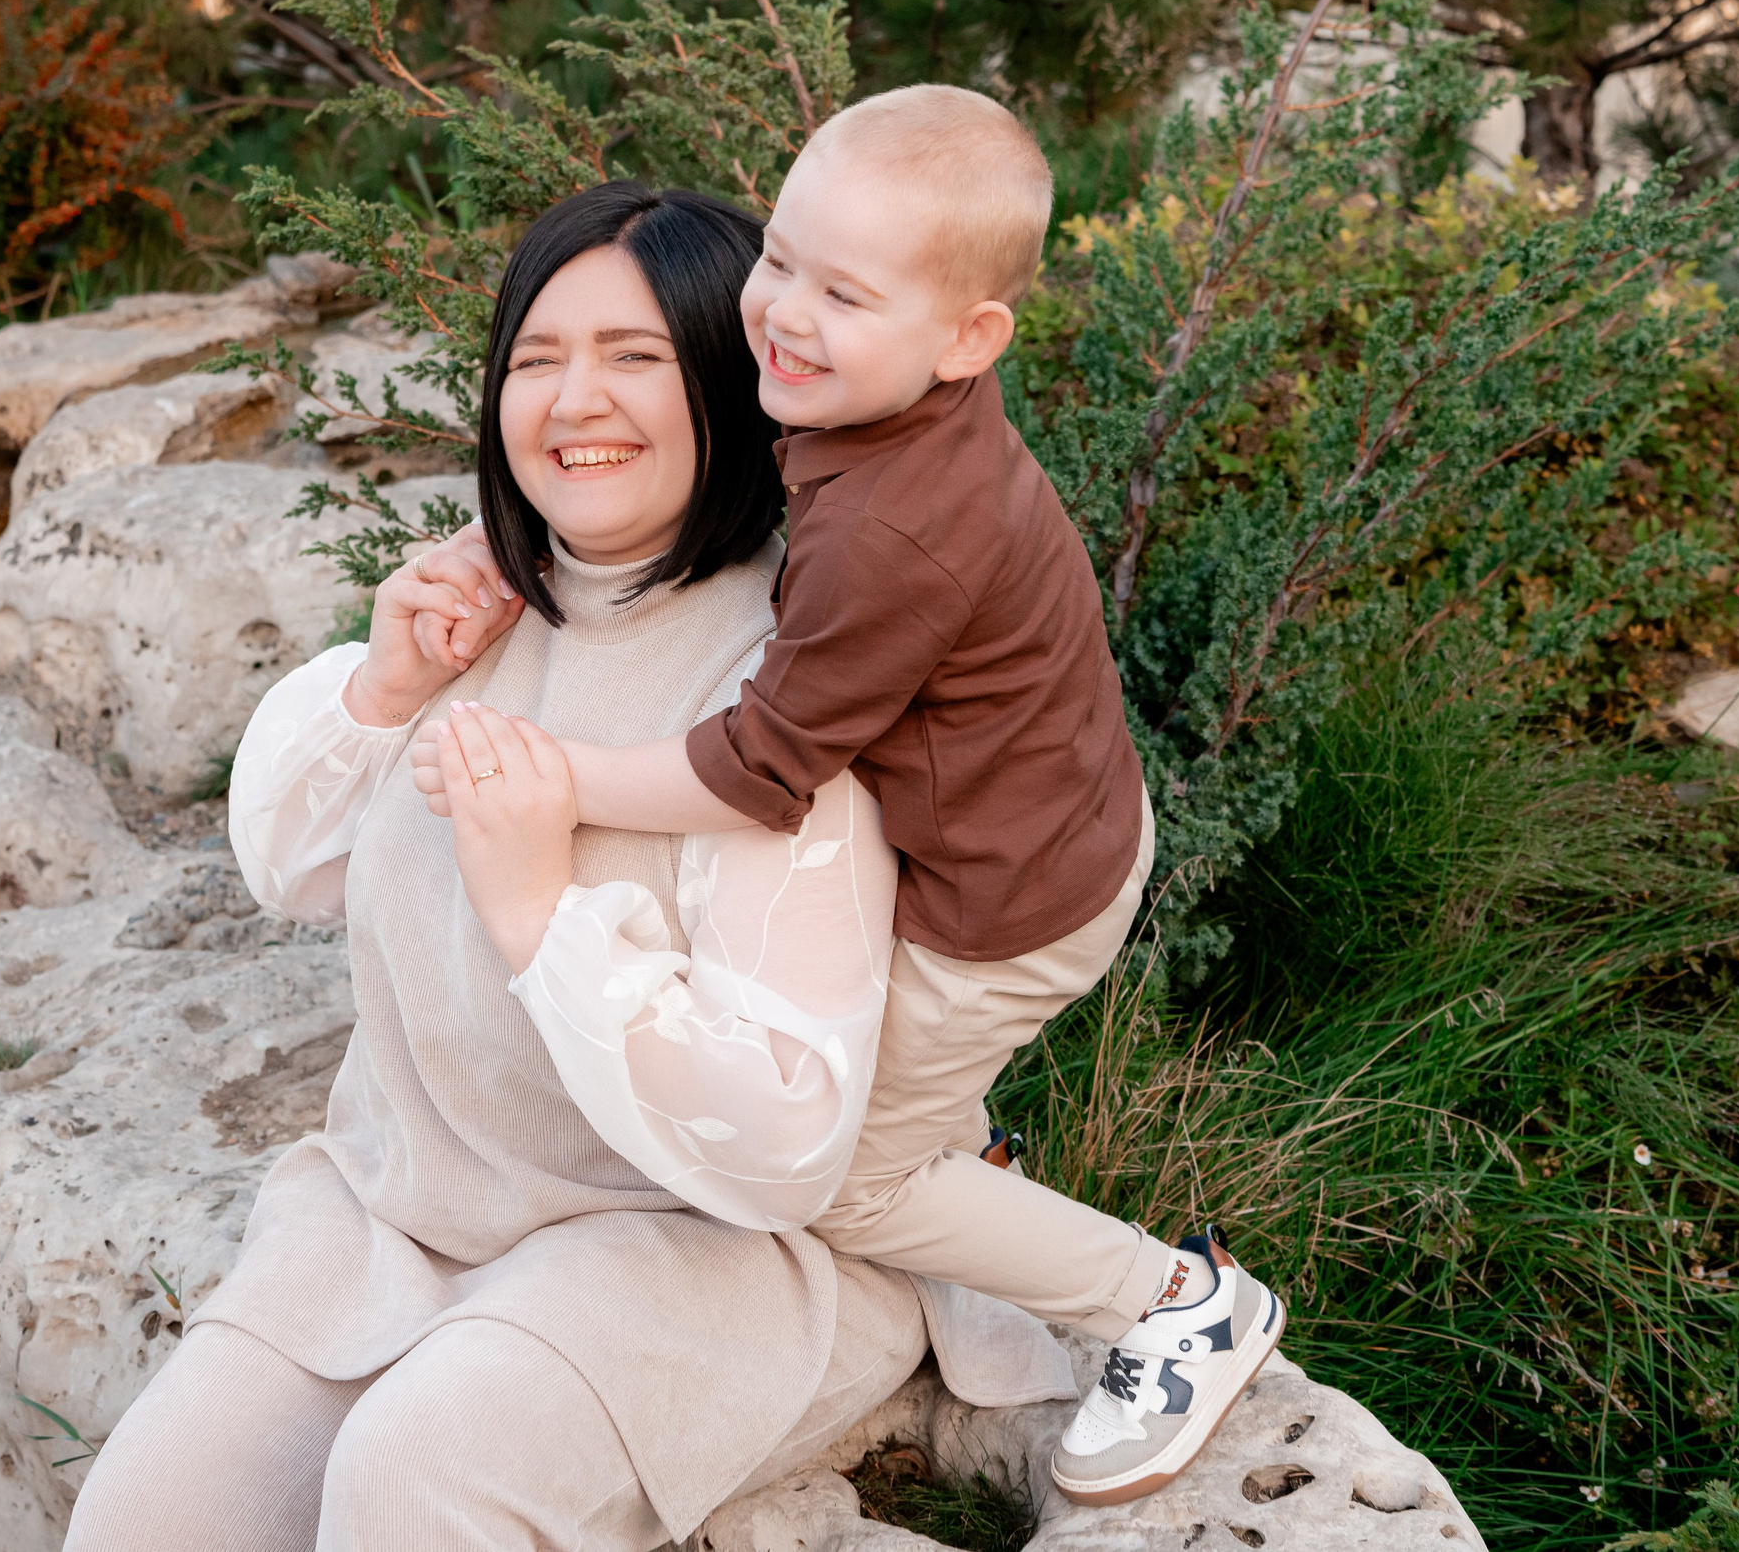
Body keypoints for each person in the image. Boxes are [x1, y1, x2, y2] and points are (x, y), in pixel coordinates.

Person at [59, 180, 1069, 1552]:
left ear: (736, 377)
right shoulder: (489, 599)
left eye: (634, 358)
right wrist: (383, 682)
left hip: (717, 1251)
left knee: (418, 1479)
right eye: (537, 358)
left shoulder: (795, 683)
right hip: (406, 1212)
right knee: (146, 1519)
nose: (572, 399)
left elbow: (784, 1141)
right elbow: (288, 865)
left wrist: (541, 915)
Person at [409, 86, 1286, 1507]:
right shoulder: (900, 398)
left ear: (968, 338)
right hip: (1035, 819)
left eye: (847, 294)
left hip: (1002, 902)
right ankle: (963, 1143)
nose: (788, 317)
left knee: (844, 1179)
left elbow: (759, 768)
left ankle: (1172, 1301)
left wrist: (561, 780)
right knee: (884, 1110)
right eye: (786, 262)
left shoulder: (895, 534)